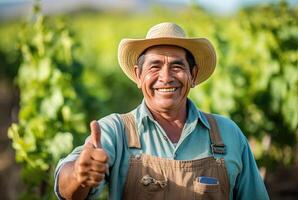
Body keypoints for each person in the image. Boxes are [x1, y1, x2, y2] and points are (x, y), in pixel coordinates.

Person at [54, 22, 269, 200]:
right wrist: (78, 175)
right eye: (154, 66)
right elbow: (67, 189)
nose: (166, 77)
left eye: (177, 66)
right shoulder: (116, 131)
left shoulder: (228, 134)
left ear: (193, 75)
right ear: (138, 76)